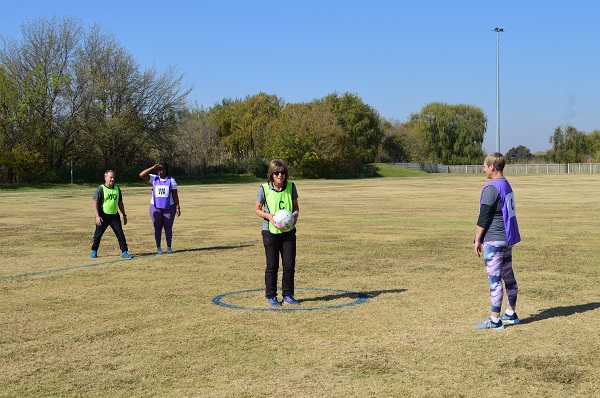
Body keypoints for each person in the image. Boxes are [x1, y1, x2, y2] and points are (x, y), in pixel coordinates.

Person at [473, 152, 521, 330]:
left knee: (494, 279)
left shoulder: (492, 188)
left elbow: (484, 217)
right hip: (507, 238)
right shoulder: (506, 184)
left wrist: (478, 239)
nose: (483, 169)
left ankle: (494, 319)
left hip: (494, 239)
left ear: (492, 167)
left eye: (484, 166)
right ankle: (510, 313)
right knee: (508, 275)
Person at [254, 159, 300, 307]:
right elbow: (257, 209)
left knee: (289, 265)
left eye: (283, 172)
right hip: (270, 232)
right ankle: (271, 296)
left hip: (288, 232)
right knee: (272, 265)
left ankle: (288, 295)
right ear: (271, 175)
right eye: (276, 172)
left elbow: (296, 207)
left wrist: (295, 216)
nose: (280, 175)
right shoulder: (264, 189)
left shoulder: (291, 186)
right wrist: (269, 217)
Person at [139, 163, 181, 254]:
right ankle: (158, 248)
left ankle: (169, 247)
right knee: (157, 227)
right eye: (158, 170)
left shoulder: (171, 180)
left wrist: (177, 207)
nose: (159, 172)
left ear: (166, 170)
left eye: (161, 170)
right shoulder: (154, 178)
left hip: (169, 207)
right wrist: (152, 167)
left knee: (168, 227)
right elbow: (142, 175)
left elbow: (175, 195)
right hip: (155, 207)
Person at [90, 170, 132, 259]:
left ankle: (124, 251)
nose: (112, 179)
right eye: (110, 177)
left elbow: (120, 203)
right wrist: (97, 216)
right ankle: (94, 251)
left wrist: (124, 214)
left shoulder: (117, 189)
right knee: (98, 235)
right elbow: (95, 202)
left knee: (120, 234)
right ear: (105, 178)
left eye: (113, 178)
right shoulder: (100, 189)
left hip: (114, 216)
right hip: (103, 216)